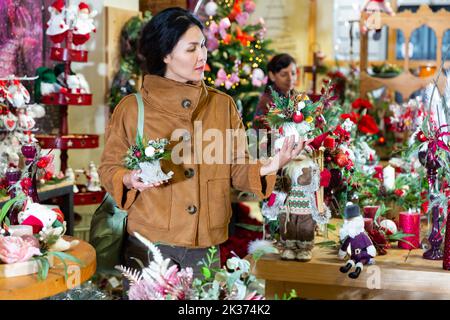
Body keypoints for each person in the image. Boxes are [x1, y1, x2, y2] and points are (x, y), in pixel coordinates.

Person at [98, 8, 306, 279]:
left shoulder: (222, 105)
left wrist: (271, 165)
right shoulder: (132, 108)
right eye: (191, 49)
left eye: (204, 46)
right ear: (165, 54)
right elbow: (108, 168)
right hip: (149, 245)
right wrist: (128, 178)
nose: (202, 56)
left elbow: (238, 167)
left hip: (205, 246)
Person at [253, 53, 298, 122]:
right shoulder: (266, 102)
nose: (290, 78)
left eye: (293, 73)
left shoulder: (297, 97)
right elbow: (261, 131)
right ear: (272, 76)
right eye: (284, 74)